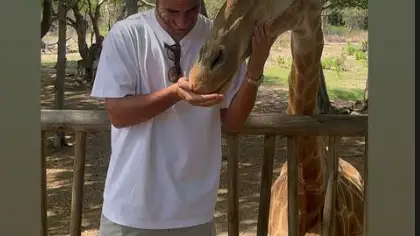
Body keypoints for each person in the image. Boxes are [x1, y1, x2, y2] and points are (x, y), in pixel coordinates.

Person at [90, 0, 273, 235]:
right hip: (130, 213)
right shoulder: (127, 35)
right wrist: (175, 93)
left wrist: (255, 70)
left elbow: (233, 122)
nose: (181, 21)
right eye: (171, 12)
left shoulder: (220, 38)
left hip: (194, 213)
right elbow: (118, 114)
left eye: (191, 11)